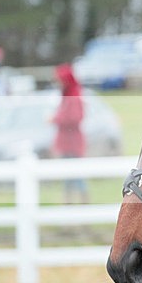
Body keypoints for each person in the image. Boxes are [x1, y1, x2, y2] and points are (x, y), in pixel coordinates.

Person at [52, 63, 89, 204]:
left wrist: (56, 119)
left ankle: (82, 203)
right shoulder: (67, 95)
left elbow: (75, 117)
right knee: (68, 177)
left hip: (72, 144)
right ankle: (69, 204)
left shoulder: (74, 95)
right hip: (67, 143)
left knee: (76, 176)